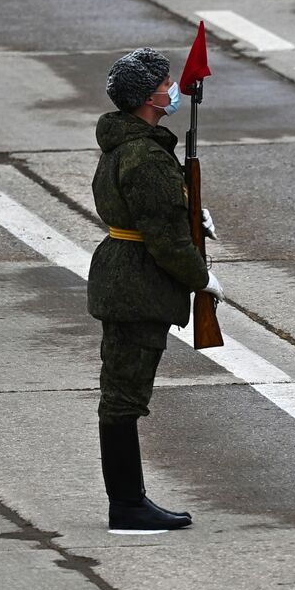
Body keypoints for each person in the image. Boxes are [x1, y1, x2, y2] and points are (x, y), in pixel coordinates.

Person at [87, 47, 222, 532]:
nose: (174, 91)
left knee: (122, 393)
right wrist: (201, 277)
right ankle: (126, 506)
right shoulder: (145, 156)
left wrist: (189, 211)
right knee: (124, 397)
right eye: (166, 84)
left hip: (125, 276)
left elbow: (154, 215)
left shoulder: (126, 144)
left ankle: (130, 500)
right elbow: (162, 235)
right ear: (148, 97)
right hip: (136, 283)